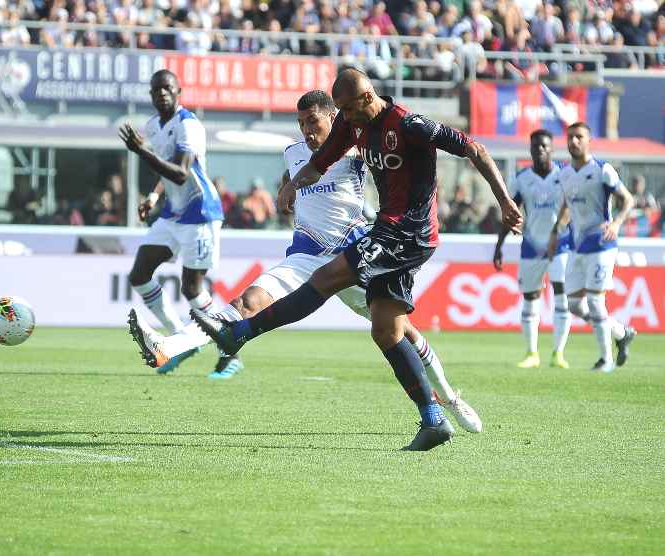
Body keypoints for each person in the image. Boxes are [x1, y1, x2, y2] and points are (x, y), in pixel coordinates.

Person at [192, 69, 522, 451]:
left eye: (348, 110)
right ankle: (434, 420)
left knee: (327, 277)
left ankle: (239, 334)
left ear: (367, 98)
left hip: (409, 231)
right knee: (387, 331)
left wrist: (505, 201)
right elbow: (319, 164)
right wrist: (289, 187)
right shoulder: (353, 128)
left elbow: (474, 148)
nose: (344, 120)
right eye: (341, 113)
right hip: (389, 229)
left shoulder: (409, 124)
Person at [127, 89, 482, 434]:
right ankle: (167, 348)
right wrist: (287, 188)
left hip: (353, 256)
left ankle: (449, 398)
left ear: (334, 117)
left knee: (401, 333)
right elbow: (297, 174)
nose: (307, 132)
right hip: (306, 255)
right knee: (245, 303)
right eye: (301, 124)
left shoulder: (358, 148)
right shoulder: (293, 153)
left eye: (313, 122)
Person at [119, 69, 241, 378]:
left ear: (178, 92)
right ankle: (181, 340)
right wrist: (152, 197)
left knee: (191, 288)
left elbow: (181, 173)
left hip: (200, 212)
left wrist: (141, 151)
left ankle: (231, 352)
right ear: (151, 95)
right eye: (157, 89)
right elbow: (165, 174)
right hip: (172, 212)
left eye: (167, 88)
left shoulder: (189, 126)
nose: (162, 93)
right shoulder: (153, 126)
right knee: (139, 273)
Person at [548, 122, 636, 373]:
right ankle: (621, 333)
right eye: (570, 137)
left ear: (588, 141)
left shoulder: (602, 170)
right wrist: (555, 232)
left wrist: (617, 223)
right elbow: (566, 205)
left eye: (579, 137)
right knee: (575, 305)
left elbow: (627, 199)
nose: (574, 141)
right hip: (577, 245)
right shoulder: (564, 173)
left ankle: (605, 360)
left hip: (602, 243)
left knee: (596, 301)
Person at [494, 129, 572, 370]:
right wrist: (499, 245)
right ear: (530, 149)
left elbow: (571, 206)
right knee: (530, 298)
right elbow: (510, 214)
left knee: (561, 295)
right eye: (535, 145)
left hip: (561, 245)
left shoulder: (565, 175)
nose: (540, 149)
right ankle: (532, 353)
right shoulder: (522, 178)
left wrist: (558, 229)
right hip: (531, 246)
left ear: (552, 149)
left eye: (544, 146)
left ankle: (558, 354)